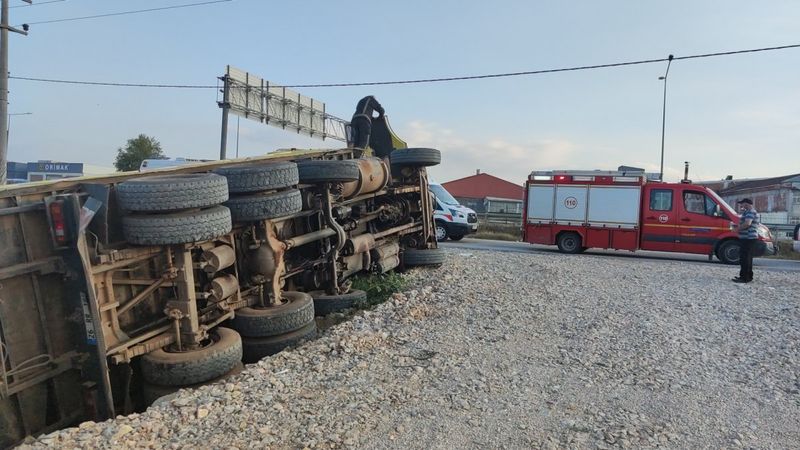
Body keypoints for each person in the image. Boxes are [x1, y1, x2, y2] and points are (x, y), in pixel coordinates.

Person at [732, 198, 759, 283]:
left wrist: (737, 229)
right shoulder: (747, 212)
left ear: (746, 203)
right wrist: (737, 226)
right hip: (747, 238)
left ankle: (745, 278)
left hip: (748, 238)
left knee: (745, 258)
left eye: (742, 204)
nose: (741, 205)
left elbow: (747, 223)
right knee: (747, 258)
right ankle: (746, 276)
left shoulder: (751, 212)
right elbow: (745, 223)